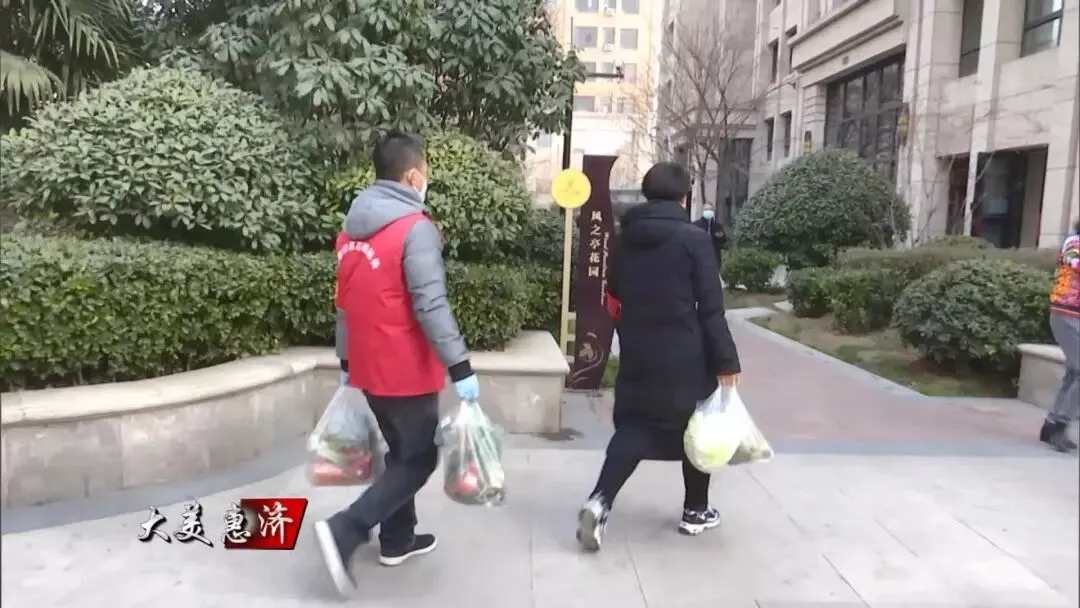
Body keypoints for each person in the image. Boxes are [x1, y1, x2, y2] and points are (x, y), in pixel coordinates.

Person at [315, 131, 481, 595]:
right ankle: (346, 528)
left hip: (368, 366)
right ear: (411, 176)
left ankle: (397, 538)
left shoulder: (352, 230)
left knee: (400, 452)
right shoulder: (415, 228)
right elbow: (431, 303)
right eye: (424, 171)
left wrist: (346, 358)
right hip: (405, 368)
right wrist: (460, 366)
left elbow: (345, 302)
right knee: (420, 458)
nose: (426, 179)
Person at [576, 162, 742, 551]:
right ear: (684, 198)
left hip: (638, 351)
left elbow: (615, 294)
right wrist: (727, 360)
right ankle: (696, 510)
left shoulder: (626, 239)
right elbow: (711, 309)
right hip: (686, 353)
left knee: (635, 426)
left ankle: (599, 501)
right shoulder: (694, 240)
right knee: (696, 426)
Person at [1041, 218, 1080, 452]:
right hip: (1065, 314)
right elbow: (1073, 261)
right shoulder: (1074, 242)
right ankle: (1059, 426)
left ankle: (1051, 425)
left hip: (1074, 316)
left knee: (1074, 372)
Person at [692, 203, 727, 268]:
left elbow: (723, 242)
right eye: (706, 209)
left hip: (714, 258)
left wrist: (721, 237)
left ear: (713, 211)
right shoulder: (696, 225)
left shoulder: (717, 226)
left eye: (710, 209)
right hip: (699, 257)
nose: (708, 211)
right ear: (703, 211)